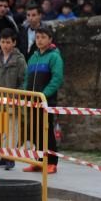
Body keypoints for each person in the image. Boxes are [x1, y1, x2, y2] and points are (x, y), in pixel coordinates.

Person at [22, 24, 63, 174]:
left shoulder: (54, 57)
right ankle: (38, 161)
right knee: (35, 131)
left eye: (43, 37)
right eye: (37, 37)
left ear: (50, 39)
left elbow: (57, 79)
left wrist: (43, 95)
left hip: (46, 102)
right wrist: (26, 93)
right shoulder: (33, 57)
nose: (39, 40)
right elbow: (27, 78)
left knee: (47, 131)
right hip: (32, 101)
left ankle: (52, 162)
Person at [0, 28, 27, 170]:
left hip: (13, 100)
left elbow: (24, 80)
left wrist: (18, 96)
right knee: (3, 130)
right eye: (3, 42)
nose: (5, 45)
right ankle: (3, 155)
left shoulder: (19, 60)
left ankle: (11, 156)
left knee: (12, 129)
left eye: (8, 42)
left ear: (14, 43)